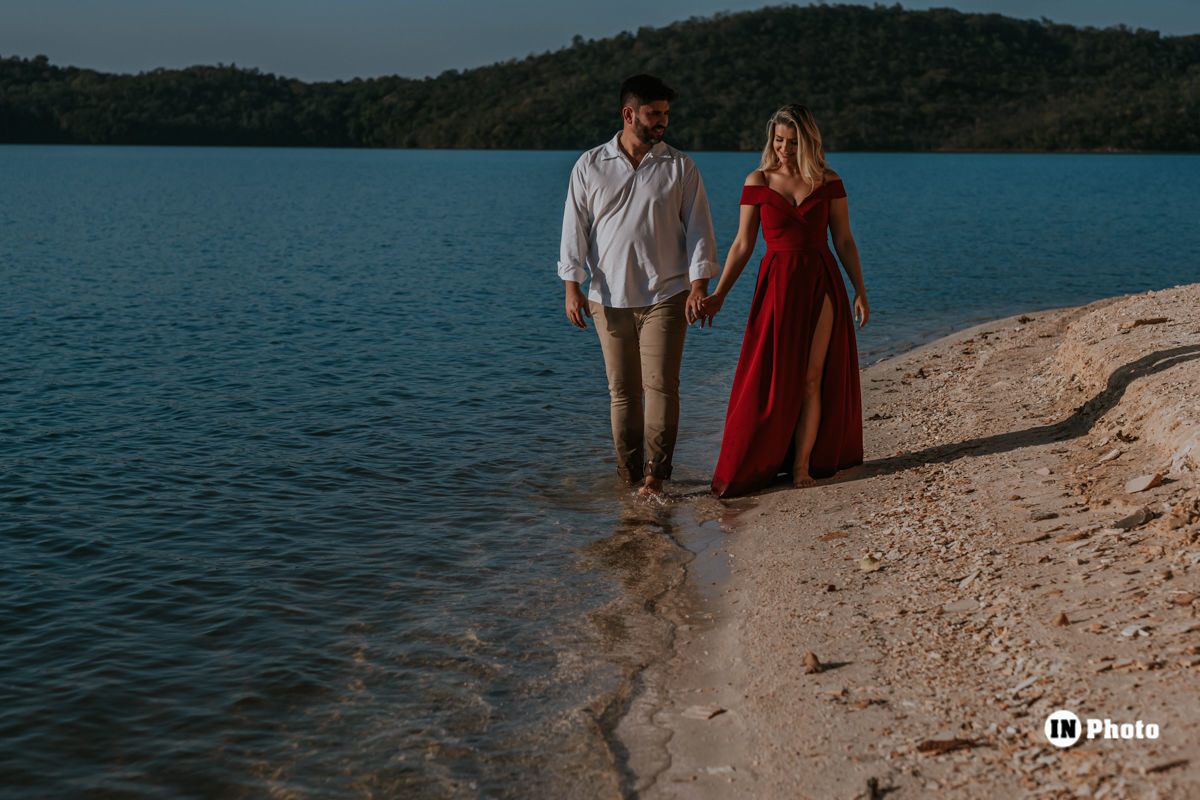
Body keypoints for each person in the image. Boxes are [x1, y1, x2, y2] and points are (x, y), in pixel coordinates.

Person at [558, 74, 720, 497]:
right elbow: (574, 229)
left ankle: (656, 477)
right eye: (654, 114)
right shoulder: (590, 165)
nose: (663, 121)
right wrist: (571, 286)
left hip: (667, 294)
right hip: (606, 298)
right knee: (622, 393)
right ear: (629, 114)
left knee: (662, 386)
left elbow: (700, 229)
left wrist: (700, 284)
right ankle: (628, 477)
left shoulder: (679, 166)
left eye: (666, 113)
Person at [700, 104, 868, 497]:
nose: (784, 149)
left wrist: (860, 289)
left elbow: (843, 239)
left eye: (793, 142)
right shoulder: (758, 180)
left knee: (811, 378)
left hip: (821, 282)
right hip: (776, 284)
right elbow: (743, 244)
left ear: (808, 141)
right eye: (778, 140)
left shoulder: (829, 181)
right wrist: (719, 294)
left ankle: (802, 463)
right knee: (773, 380)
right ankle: (762, 457)